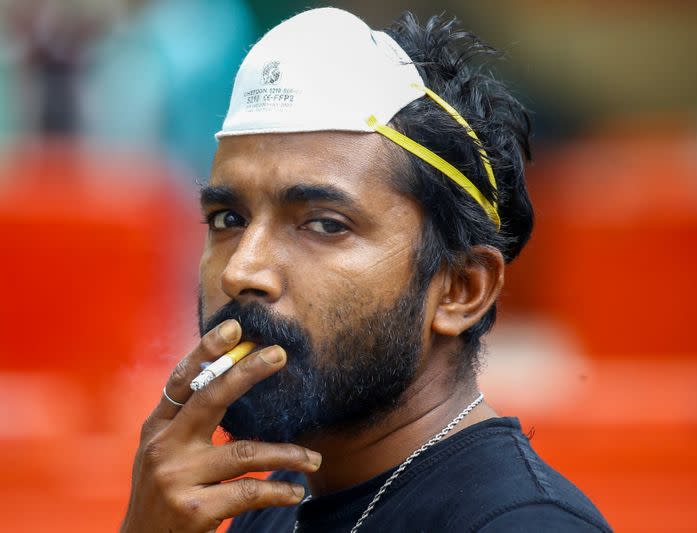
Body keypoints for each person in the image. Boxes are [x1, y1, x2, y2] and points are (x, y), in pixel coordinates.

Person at [121, 7, 612, 533]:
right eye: (228, 218)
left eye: (325, 225)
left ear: (461, 290)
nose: (242, 270)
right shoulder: (270, 507)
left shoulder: (523, 525)